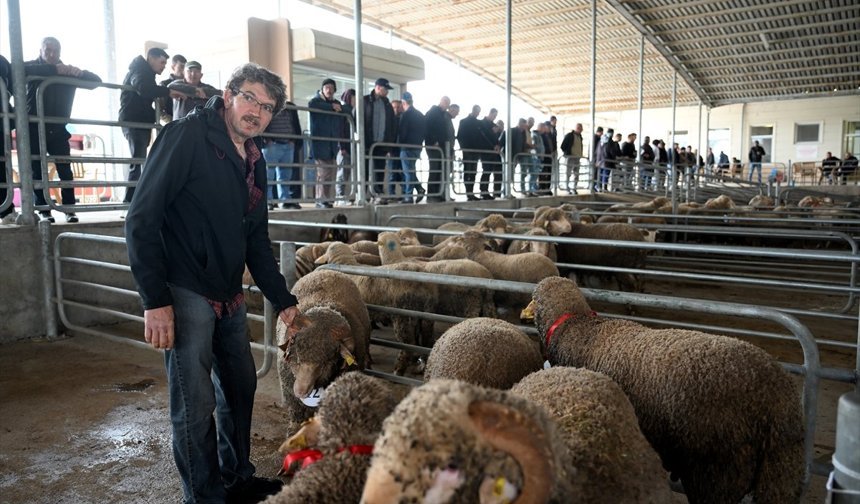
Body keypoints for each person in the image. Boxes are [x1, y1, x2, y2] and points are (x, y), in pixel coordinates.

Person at [125, 63, 299, 504]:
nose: (256, 112)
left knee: (241, 387)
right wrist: (154, 299)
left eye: (266, 107)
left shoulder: (254, 160)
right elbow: (142, 217)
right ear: (228, 94)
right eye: (249, 98)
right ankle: (204, 496)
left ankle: (237, 476)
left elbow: (256, 240)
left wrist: (285, 301)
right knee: (195, 401)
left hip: (229, 293)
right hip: (185, 289)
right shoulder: (185, 137)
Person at [25, 36, 101, 223]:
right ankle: (44, 210)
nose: (51, 54)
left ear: (60, 52)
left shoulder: (66, 71)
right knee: (36, 169)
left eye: (55, 51)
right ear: (40, 50)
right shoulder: (31, 66)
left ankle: (69, 208)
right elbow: (15, 69)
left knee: (65, 169)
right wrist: (52, 69)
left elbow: (96, 81)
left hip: (58, 128)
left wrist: (79, 73)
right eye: (48, 50)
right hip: (33, 127)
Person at [119, 47, 187, 205]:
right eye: (162, 62)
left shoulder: (143, 72)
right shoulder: (140, 71)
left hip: (139, 120)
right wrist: (168, 92)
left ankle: (133, 198)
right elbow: (143, 89)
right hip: (134, 120)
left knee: (140, 157)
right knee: (138, 158)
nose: (163, 66)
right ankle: (130, 199)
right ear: (151, 58)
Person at [262, 100, 302, 210]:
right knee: (268, 176)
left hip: (288, 144)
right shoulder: (267, 105)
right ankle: (268, 201)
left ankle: (285, 201)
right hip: (272, 144)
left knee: (286, 176)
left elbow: (294, 123)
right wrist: (267, 139)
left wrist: (293, 140)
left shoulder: (289, 107)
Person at [308, 78, 342, 208]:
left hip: (332, 145)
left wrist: (336, 106)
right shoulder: (315, 101)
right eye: (326, 87)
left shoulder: (336, 103)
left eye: (331, 88)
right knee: (323, 174)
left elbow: (345, 110)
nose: (329, 90)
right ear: (322, 89)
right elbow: (312, 105)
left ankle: (326, 199)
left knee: (329, 174)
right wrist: (332, 107)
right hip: (320, 145)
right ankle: (320, 199)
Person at [363, 78, 396, 204]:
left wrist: (389, 143)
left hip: (382, 143)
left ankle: (377, 193)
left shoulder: (387, 104)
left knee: (379, 169)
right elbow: (356, 119)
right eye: (385, 89)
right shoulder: (365, 101)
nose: (387, 92)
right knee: (364, 169)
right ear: (377, 87)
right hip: (366, 142)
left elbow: (392, 125)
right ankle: (362, 194)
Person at [397, 91, 425, 203]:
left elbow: (402, 132)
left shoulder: (406, 115)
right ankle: (419, 188)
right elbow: (424, 132)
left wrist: (399, 144)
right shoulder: (420, 115)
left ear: (403, 103)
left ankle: (409, 196)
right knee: (411, 170)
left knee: (408, 172)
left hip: (407, 147)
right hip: (417, 147)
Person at [424, 96, 451, 203]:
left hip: (441, 147)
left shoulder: (442, 114)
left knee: (439, 170)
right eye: (446, 104)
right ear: (442, 102)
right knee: (434, 169)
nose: (447, 106)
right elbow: (427, 127)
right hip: (434, 146)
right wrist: (433, 140)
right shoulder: (433, 112)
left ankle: (437, 193)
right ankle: (431, 194)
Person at [456, 104, 483, 200]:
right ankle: (468, 192)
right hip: (467, 151)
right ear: (473, 111)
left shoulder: (479, 123)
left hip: (475, 151)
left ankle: (471, 192)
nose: (478, 114)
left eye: (479, 112)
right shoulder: (464, 122)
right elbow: (460, 136)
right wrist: (464, 148)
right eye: (477, 112)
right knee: (468, 171)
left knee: (473, 172)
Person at [335, 88, 356, 204]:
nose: (355, 100)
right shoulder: (344, 110)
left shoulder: (352, 111)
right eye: (353, 98)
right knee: (342, 172)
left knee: (347, 172)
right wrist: (341, 146)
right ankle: (339, 196)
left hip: (350, 146)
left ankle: (343, 196)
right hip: (344, 147)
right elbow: (340, 129)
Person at [476, 107, 500, 199]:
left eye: (496, 116)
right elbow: (484, 136)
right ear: (490, 113)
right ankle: (483, 190)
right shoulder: (482, 123)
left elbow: (496, 138)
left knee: (489, 171)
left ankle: (486, 190)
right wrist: (492, 132)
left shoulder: (494, 125)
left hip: (493, 152)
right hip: (485, 151)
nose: (494, 117)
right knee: (486, 171)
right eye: (494, 115)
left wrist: (497, 145)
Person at [158, 54, 186, 123]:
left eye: (186, 68)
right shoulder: (164, 84)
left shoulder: (189, 85)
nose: (184, 71)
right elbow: (159, 110)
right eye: (181, 67)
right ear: (173, 67)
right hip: (173, 125)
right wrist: (172, 121)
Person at [386, 99, 404, 199]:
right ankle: (391, 194)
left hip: (401, 149)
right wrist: (388, 149)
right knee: (392, 173)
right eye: (394, 107)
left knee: (401, 172)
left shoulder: (402, 119)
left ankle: (404, 192)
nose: (396, 109)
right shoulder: (388, 120)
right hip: (392, 150)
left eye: (398, 107)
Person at [560, 123, 584, 194]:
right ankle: (567, 187)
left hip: (577, 157)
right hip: (570, 157)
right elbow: (563, 146)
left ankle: (574, 188)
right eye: (579, 128)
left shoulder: (580, 137)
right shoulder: (569, 135)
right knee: (568, 173)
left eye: (581, 128)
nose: (580, 130)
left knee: (576, 174)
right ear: (576, 128)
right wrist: (568, 153)